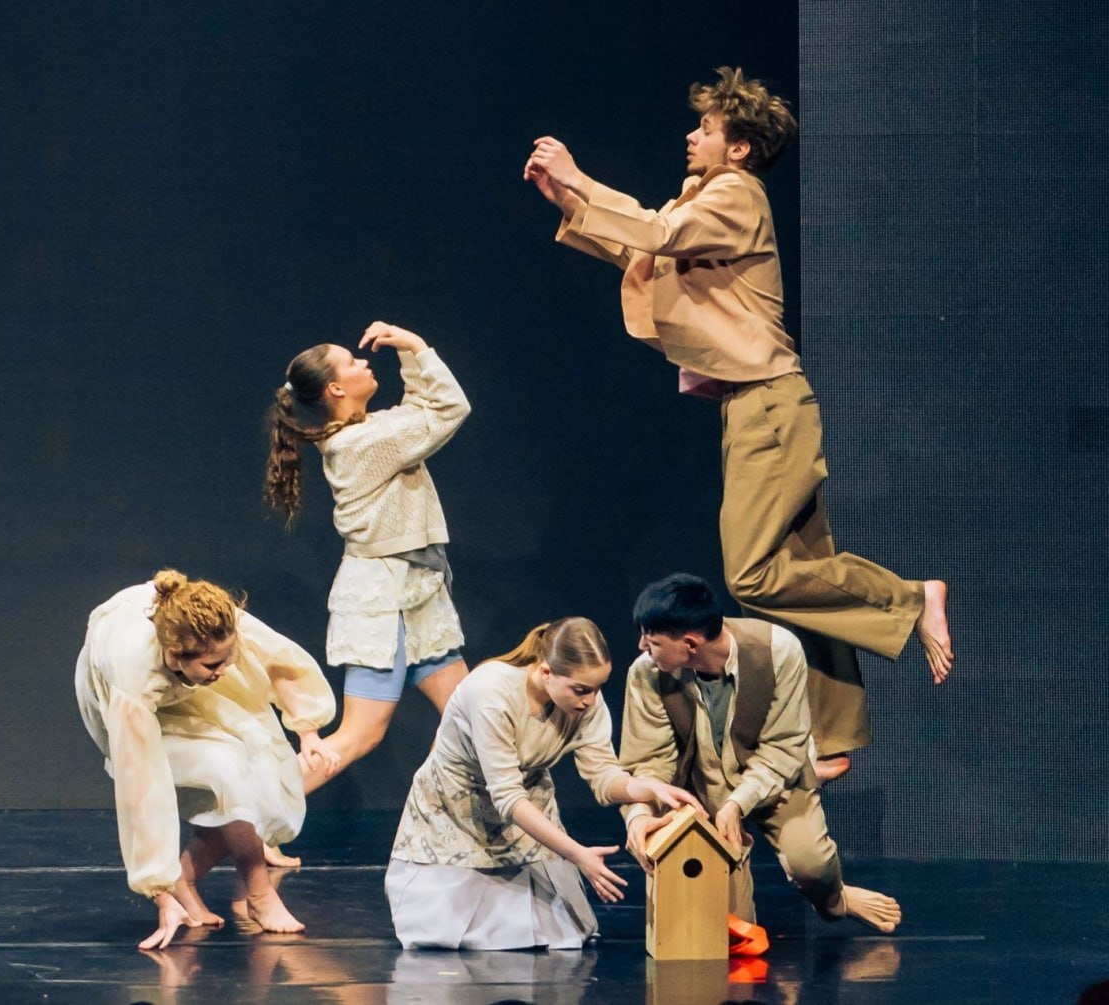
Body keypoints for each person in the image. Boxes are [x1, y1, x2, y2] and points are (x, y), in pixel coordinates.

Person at [524, 66, 953, 780]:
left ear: (740, 146)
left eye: (707, 128)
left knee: (754, 574)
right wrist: (572, 201)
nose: (692, 137)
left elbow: (657, 231)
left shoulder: (735, 193)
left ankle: (911, 598)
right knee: (804, 571)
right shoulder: (709, 200)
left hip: (768, 407)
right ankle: (834, 734)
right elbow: (647, 251)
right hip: (758, 407)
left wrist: (581, 178)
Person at [385, 617, 699, 950]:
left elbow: (604, 776)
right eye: (581, 690)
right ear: (546, 672)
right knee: (446, 932)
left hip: (527, 802)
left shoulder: (584, 703)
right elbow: (507, 795)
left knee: (556, 934)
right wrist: (577, 854)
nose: (590, 700)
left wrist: (647, 787)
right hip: (460, 803)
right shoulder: (491, 692)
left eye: (597, 688)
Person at [620, 572, 902, 932]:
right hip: (697, 790)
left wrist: (738, 802)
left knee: (812, 865)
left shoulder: (777, 651)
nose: (642, 647)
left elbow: (783, 746)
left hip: (772, 778)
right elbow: (649, 761)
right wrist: (639, 816)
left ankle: (837, 900)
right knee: (724, 930)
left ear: (690, 644)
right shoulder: (646, 673)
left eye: (652, 640)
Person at [74, 568, 338, 949]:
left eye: (228, 658)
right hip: (114, 695)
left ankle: (192, 879)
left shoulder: (214, 623)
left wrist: (308, 730)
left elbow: (276, 657)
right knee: (225, 768)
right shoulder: (134, 678)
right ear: (175, 655)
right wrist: (158, 892)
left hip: (184, 682)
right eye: (215, 665)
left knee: (254, 746)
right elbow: (140, 788)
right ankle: (257, 894)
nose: (225, 670)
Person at [265, 320, 471, 798]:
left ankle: (442, 814)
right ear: (336, 388)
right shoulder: (361, 443)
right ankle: (252, 818)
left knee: (468, 716)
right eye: (351, 362)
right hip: (382, 600)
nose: (364, 363)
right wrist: (416, 345)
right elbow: (448, 409)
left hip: (414, 592)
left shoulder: (371, 431)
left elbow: (420, 409)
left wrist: (412, 359)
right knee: (360, 736)